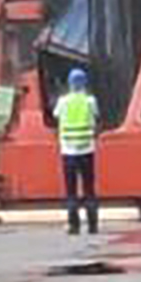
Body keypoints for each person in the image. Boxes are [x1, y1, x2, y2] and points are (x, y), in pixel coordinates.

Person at [55, 66, 100, 236]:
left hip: (68, 152)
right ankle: (93, 226)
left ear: (69, 83)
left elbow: (56, 115)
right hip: (87, 150)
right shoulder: (90, 101)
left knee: (71, 190)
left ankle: (74, 226)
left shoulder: (63, 102)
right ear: (84, 83)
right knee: (89, 189)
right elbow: (96, 116)